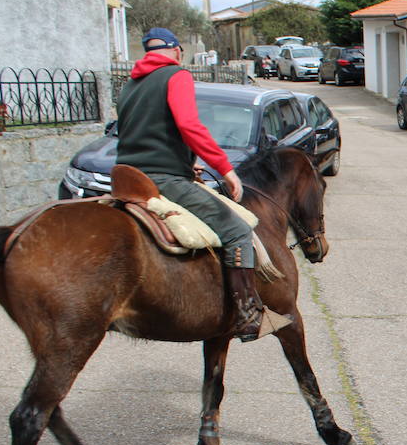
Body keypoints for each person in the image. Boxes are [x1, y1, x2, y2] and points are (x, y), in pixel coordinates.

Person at [115, 27, 289, 342]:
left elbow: (143, 133)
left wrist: (184, 158)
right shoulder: (176, 75)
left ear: (146, 52)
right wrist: (225, 169)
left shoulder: (130, 85)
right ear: (177, 51)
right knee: (237, 230)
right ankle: (247, 314)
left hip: (128, 176)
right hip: (163, 179)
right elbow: (188, 124)